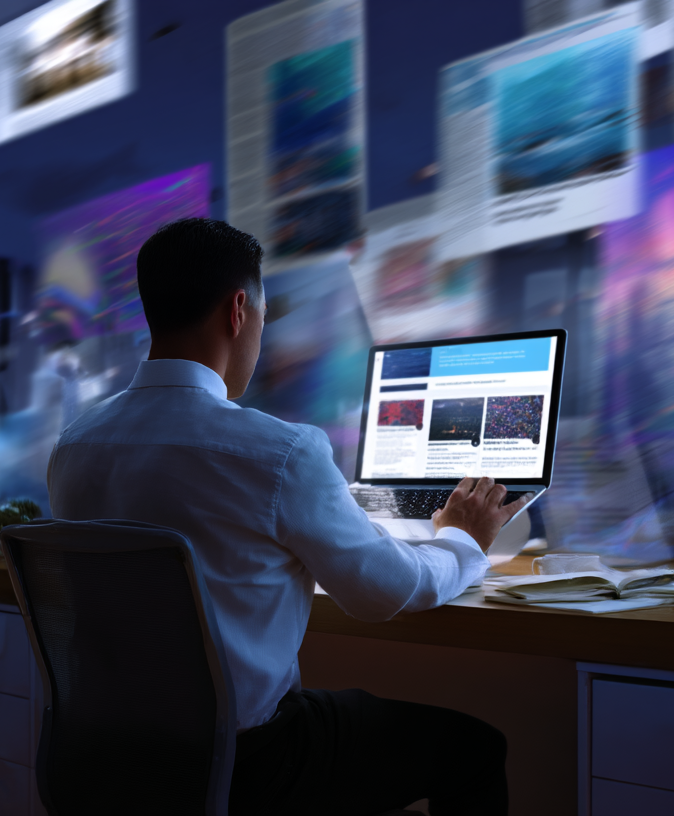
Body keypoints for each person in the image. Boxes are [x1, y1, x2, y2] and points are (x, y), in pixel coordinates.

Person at [47, 218, 524, 816]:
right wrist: (462, 539)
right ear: (238, 311)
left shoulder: (75, 445)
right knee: (474, 750)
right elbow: (384, 593)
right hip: (247, 764)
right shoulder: (277, 451)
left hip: (114, 759)